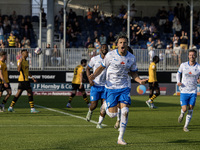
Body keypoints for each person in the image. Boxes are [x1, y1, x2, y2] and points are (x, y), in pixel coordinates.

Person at [89, 34, 147, 145]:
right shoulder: (110, 55)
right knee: (112, 115)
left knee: (125, 111)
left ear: (127, 44)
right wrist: (94, 75)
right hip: (111, 87)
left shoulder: (131, 57)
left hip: (124, 87)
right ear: (117, 44)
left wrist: (139, 81)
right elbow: (101, 67)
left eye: (124, 43)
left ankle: (120, 138)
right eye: (120, 43)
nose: (122, 45)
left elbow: (133, 73)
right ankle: (105, 105)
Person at [177, 49, 200, 132]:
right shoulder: (183, 65)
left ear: (196, 56)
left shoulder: (198, 67)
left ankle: (185, 126)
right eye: (190, 55)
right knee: (184, 109)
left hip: (193, 91)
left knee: (190, 108)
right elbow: (178, 73)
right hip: (184, 90)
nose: (192, 56)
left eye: (193, 55)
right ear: (188, 56)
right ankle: (182, 114)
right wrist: (178, 81)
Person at [86, 44, 108, 128]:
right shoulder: (94, 59)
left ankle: (99, 123)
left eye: (106, 48)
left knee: (104, 106)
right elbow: (87, 68)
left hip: (106, 86)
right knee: (94, 105)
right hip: (95, 85)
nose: (104, 49)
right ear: (100, 49)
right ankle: (90, 111)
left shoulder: (110, 59)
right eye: (103, 48)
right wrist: (90, 80)